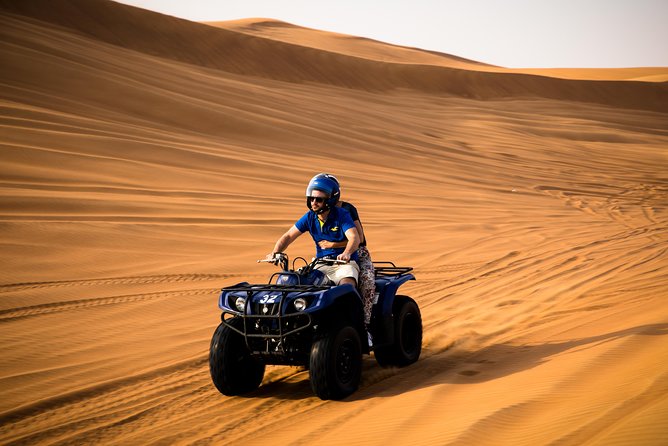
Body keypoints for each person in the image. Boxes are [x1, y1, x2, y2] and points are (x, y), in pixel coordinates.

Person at [266, 175, 360, 288]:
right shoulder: (309, 217)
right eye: (311, 199)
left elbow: (354, 237)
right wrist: (276, 252)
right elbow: (289, 235)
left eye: (319, 200)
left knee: (346, 288)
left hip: (344, 265)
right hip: (320, 265)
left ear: (330, 200)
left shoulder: (341, 215)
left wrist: (346, 253)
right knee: (290, 282)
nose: (314, 203)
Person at [310, 174, 376, 329]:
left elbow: (358, 238)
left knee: (367, 283)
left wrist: (334, 244)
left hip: (358, 253)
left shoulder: (346, 209)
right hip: (331, 257)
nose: (316, 200)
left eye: (323, 193)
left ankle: (365, 325)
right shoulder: (317, 211)